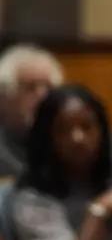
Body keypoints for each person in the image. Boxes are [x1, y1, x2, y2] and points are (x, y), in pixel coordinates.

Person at [11, 84, 112, 240]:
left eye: (87, 126)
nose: (78, 138)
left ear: (103, 131)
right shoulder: (33, 199)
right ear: (46, 138)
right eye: (63, 130)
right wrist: (99, 212)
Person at [0, 44, 64, 177]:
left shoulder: (77, 133)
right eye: (30, 88)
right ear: (3, 98)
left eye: (49, 88)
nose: (42, 96)